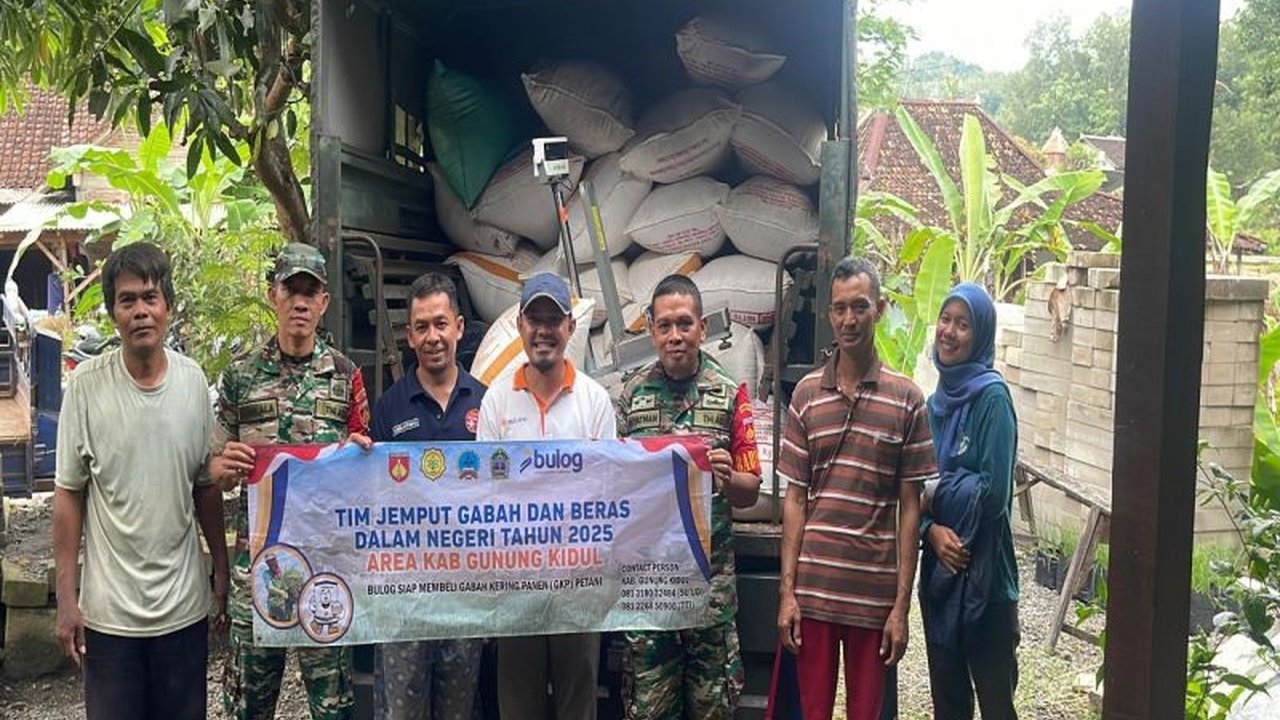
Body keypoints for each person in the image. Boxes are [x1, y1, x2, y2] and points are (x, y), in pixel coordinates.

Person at [52, 242, 228, 720]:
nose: (140, 311)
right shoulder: (87, 388)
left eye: (150, 297)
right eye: (127, 300)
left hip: (183, 611)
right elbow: (68, 494)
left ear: (168, 306)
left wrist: (223, 573)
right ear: (113, 312)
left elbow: (203, 485)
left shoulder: (193, 384)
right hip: (110, 620)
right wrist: (67, 600)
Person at [211, 242, 371, 720]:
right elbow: (213, 472)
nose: (300, 302)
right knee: (249, 709)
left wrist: (364, 456)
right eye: (290, 289)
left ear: (324, 303)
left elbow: (367, 479)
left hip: (326, 576)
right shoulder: (239, 378)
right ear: (272, 295)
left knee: (332, 708)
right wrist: (225, 467)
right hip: (255, 574)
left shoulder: (345, 377)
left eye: (311, 292)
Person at [775, 257, 936, 720]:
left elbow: (911, 508)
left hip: (874, 598)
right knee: (812, 712)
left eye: (860, 307)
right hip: (814, 595)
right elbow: (795, 499)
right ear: (829, 314)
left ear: (880, 309)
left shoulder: (907, 399)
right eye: (840, 309)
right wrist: (787, 594)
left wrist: (901, 608)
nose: (849, 320)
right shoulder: (806, 395)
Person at [615, 274, 762, 719]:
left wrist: (726, 478)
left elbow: (751, 492)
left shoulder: (730, 393)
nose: (675, 336)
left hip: (708, 593)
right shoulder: (632, 395)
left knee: (712, 710)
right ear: (651, 331)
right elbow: (616, 487)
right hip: (650, 589)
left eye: (684, 323)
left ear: (702, 327)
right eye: (664, 325)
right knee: (649, 710)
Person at [475, 272, 616, 720]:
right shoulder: (497, 402)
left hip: (579, 582)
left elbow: (607, 490)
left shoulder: (594, 401)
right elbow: (484, 494)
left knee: (578, 701)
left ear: (570, 328)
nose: (543, 330)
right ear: (519, 325)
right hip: (517, 585)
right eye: (534, 319)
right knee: (518, 703)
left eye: (552, 320)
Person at [365, 272, 488, 720]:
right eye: (422, 327)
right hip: (404, 597)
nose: (432, 337)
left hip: (465, 595)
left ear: (458, 326)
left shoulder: (486, 404)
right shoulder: (390, 408)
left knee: (458, 708)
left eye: (440, 324)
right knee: (401, 710)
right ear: (409, 335)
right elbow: (369, 499)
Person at [919, 282, 1020, 720]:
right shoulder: (931, 408)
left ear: (980, 336)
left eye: (963, 324)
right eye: (946, 319)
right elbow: (909, 491)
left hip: (987, 584)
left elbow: (993, 494)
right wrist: (930, 532)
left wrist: (937, 492)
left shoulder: (993, 399)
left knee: (997, 706)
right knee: (949, 707)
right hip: (941, 580)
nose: (950, 332)